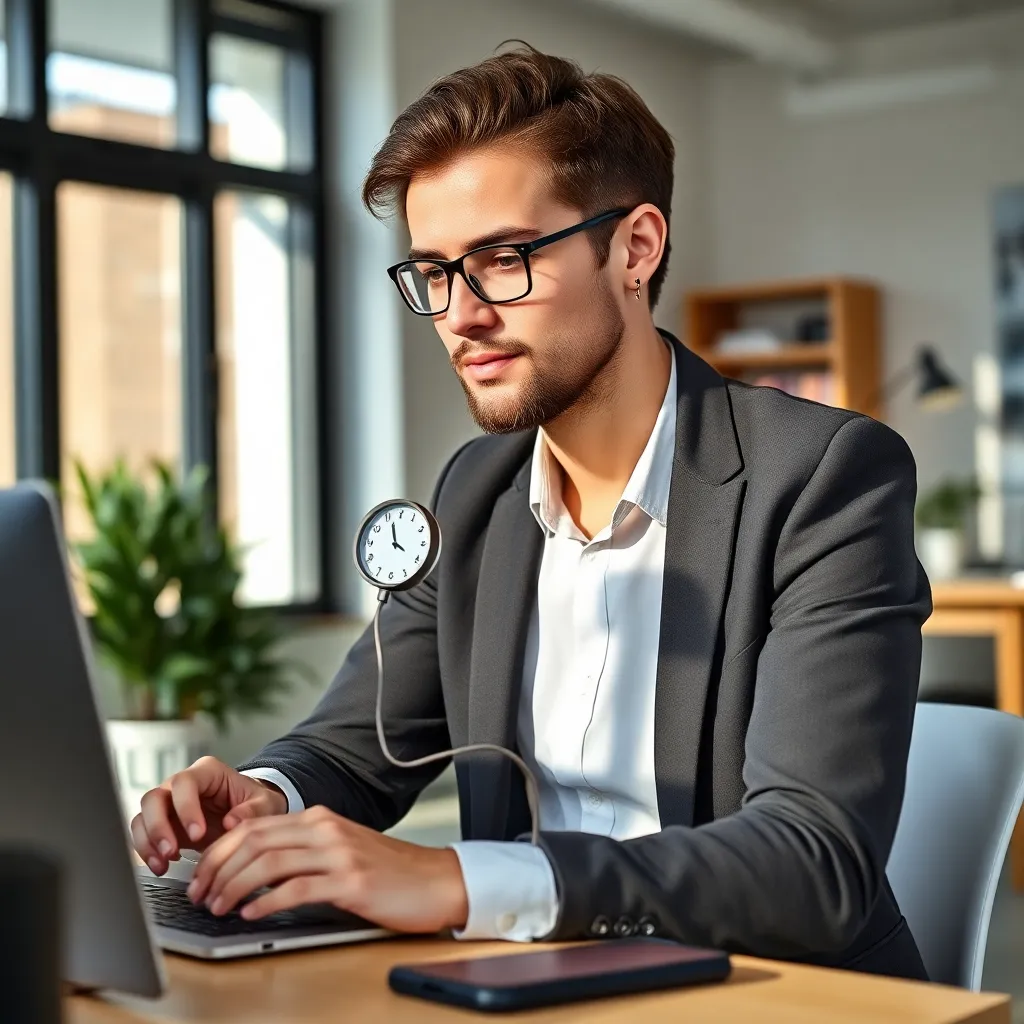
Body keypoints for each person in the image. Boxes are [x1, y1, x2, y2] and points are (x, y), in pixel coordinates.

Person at [132, 43, 932, 979]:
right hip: (535, 986)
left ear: (635, 248)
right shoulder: (473, 494)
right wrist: (266, 795)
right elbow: (356, 750)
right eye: (433, 272)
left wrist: (464, 882)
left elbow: (814, 864)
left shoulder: (824, 479)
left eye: (502, 260)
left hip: (767, 991)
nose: (459, 315)